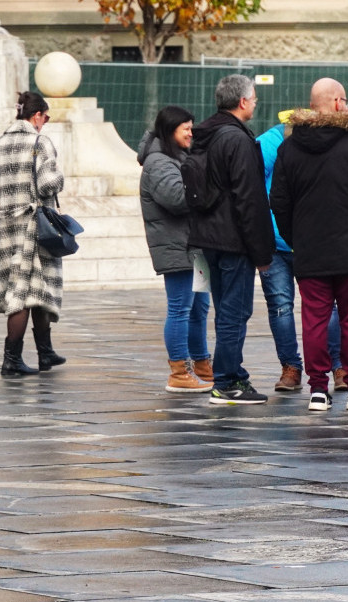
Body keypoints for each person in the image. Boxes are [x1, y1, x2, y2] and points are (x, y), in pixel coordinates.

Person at [270, 78, 348, 412]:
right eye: (346, 99)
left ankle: (318, 390)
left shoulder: (289, 146)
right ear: (337, 102)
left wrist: (296, 239)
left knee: (314, 320)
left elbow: (279, 201)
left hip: (310, 252)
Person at [187, 74, 277, 404]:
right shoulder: (237, 140)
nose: (255, 103)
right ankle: (226, 382)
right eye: (253, 99)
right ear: (242, 102)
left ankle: (234, 374)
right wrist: (261, 251)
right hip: (233, 240)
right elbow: (249, 199)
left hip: (205, 238)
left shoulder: (204, 135)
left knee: (225, 309)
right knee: (234, 313)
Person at [0, 91, 66, 376]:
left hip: (5, 231)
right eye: (45, 118)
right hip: (35, 230)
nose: (45, 123)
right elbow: (49, 184)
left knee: (33, 290)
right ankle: (11, 359)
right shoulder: (40, 143)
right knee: (22, 295)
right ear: (36, 116)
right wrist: (59, 176)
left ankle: (45, 353)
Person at [257, 110, 346, 394]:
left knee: (324, 307)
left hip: (310, 240)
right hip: (277, 242)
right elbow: (252, 185)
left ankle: (336, 366)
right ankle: (292, 367)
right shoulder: (271, 142)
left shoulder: (327, 143)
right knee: (283, 307)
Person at [138, 105, 212, 393]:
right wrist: (208, 187)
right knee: (180, 308)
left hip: (195, 246)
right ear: (171, 131)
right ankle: (179, 372)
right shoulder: (158, 162)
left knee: (200, 309)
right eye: (186, 129)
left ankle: (203, 366)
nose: (191, 133)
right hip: (176, 247)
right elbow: (178, 199)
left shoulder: (178, 156)